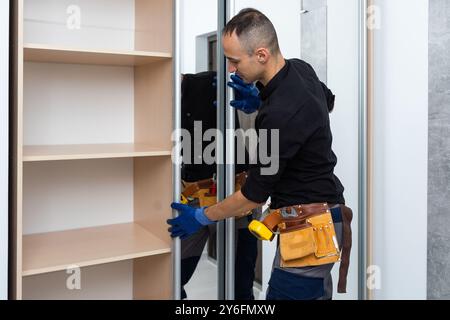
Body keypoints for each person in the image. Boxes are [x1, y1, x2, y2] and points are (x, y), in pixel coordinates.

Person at [168, 8, 352, 300]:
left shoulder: (278, 115)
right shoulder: (300, 68)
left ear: (262, 55)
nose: (230, 68)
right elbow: (325, 101)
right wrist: (260, 99)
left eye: (234, 60)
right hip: (324, 219)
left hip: (309, 229)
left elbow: (253, 194)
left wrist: (202, 216)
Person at [179, 71, 258, 300]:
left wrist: (259, 100)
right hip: (193, 199)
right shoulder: (157, 99)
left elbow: (327, 98)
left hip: (236, 197)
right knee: (169, 280)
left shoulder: (214, 81)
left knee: (240, 288)